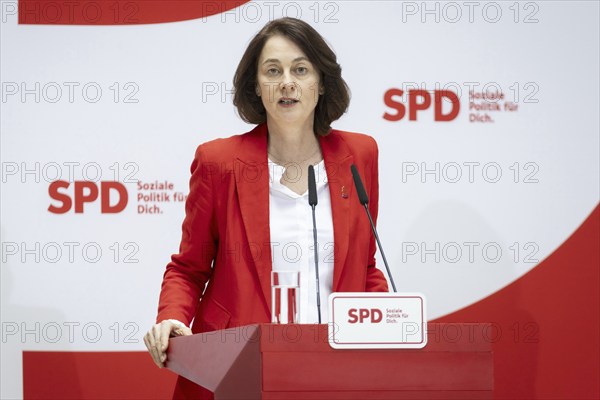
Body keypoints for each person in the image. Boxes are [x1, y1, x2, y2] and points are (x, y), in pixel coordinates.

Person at [143, 17, 389, 399]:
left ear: (321, 82)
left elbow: (365, 265)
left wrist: (390, 323)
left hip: (333, 368)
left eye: (301, 69)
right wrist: (173, 317)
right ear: (256, 86)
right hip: (234, 366)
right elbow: (188, 268)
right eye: (272, 71)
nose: (287, 82)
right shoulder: (218, 162)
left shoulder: (360, 155)